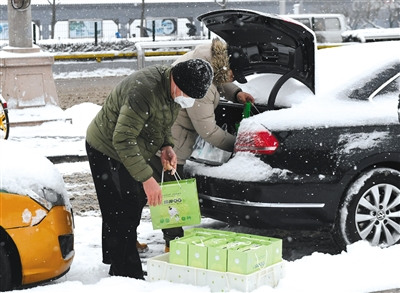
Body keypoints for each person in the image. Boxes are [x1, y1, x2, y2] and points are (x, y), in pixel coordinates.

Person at [85, 58, 213, 279]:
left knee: (129, 205)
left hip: (129, 145)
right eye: (189, 95)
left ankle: (117, 260)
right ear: (177, 83)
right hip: (105, 147)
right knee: (121, 209)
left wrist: (166, 146)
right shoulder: (144, 91)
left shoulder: (171, 90)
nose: (189, 100)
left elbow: (162, 122)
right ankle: (127, 275)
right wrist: (147, 179)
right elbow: (123, 139)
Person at [149, 38, 255, 252]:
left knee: (159, 190)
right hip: (172, 137)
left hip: (163, 126)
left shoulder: (209, 59)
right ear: (227, 65)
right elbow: (208, 131)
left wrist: (235, 92)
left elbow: (221, 76)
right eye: (235, 75)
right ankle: (173, 243)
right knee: (171, 192)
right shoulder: (201, 85)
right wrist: (239, 144)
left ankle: (131, 238)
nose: (233, 78)